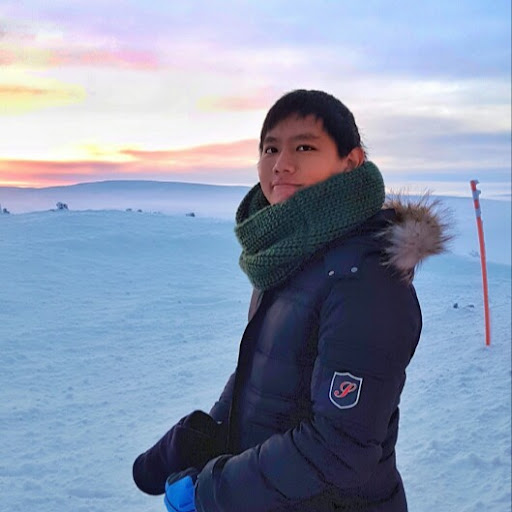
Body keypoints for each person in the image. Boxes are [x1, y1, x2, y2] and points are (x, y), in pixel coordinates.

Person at [133, 89, 449, 511]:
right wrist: (204, 436)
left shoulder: (365, 279)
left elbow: (339, 447)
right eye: (270, 148)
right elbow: (266, 368)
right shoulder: (288, 254)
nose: (281, 163)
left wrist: (213, 489)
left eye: (304, 147)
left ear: (351, 162)